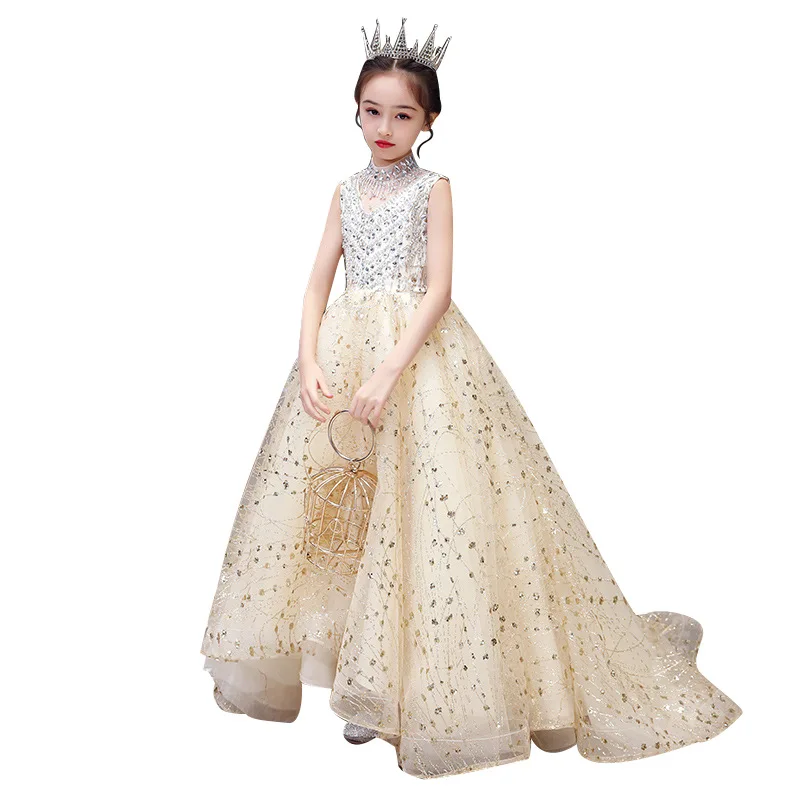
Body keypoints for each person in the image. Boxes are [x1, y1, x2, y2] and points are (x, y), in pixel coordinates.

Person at [200, 18, 742, 780]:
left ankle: (405, 688)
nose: (384, 127)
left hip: (418, 364)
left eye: (402, 114)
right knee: (344, 514)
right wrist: (310, 356)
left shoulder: (435, 189)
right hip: (343, 358)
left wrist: (388, 373)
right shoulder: (346, 190)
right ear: (354, 110)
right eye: (372, 111)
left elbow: (440, 289)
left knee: (428, 515)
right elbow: (317, 280)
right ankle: (361, 679)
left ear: (429, 120)